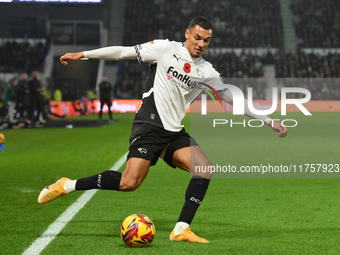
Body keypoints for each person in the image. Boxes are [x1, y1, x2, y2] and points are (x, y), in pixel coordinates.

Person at [38, 17, 287, 243]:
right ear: (187, 33)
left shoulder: (207, 72)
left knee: (204, 169)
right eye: (197, 37)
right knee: (129, 183)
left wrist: (268, 120)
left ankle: (181, 229)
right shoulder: (166, 48)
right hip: (149, 123)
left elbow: (233, 99)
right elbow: (122, 52)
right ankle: (67, 185)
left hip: (173, 131)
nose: (201, 44)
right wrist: (82, 54)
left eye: (206, 41)